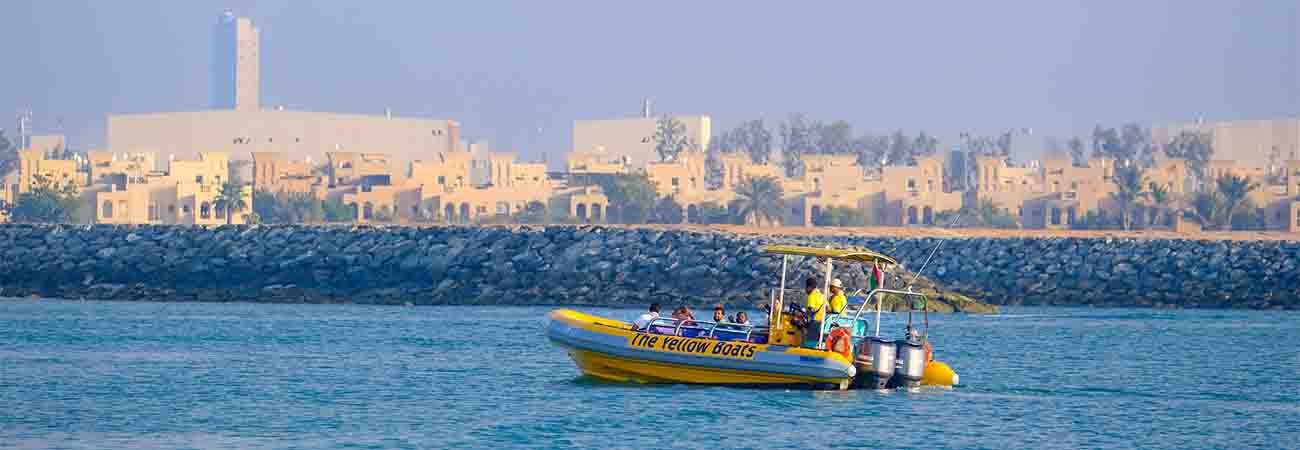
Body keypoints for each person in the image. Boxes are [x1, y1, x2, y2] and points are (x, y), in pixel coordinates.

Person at [803, 278, 826, 348]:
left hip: (814, 322)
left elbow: (810, 310)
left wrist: (802, 315)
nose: (805, 290)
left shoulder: (811, 296)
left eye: (806, 287)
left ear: (809, 287)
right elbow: (828, 308)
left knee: (810, 343)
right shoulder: (822, 295)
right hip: (823, 322)